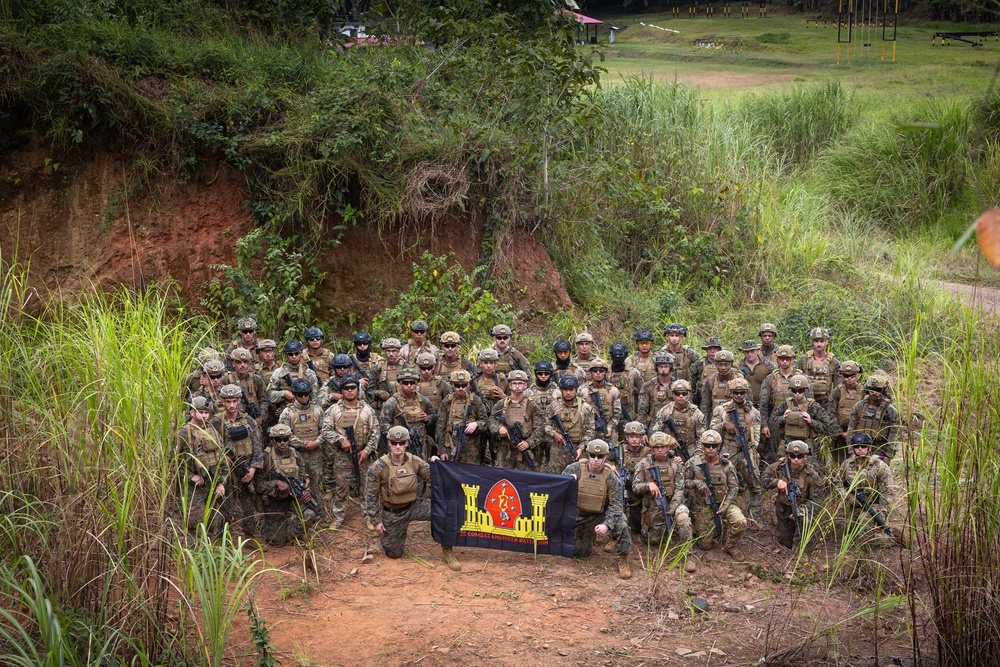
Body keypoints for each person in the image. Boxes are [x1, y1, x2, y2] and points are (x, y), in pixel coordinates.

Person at [362, 426, 458, 569]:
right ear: (389, 443)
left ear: (407, 443)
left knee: (444, 511)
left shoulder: (415, 461)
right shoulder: (378, 467)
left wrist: (437, 465)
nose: (398, 446)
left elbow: (435, 478)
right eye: (394, 443)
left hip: (414, 506)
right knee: (393, 553)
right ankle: (393, 536)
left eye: (401, 443)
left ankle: (447, 550)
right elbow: (370, 496)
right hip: (392, 513)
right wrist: (376, 521)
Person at [562, 439, 633, 579]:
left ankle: (623, 558)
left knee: (622, 523)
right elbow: (558, 491)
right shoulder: (574, 469)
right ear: (587, 455)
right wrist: (568, 483)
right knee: (580, 553)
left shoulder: (611, 478)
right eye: (593, 455)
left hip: (600, 514)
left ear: (605, 457)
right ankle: (589, 536)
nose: (596, 459)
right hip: (579, 514)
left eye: (600, 457)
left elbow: (616, 506)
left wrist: (607, 525)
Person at [319, 375, 380, 527]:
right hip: (342, 455)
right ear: (342, 391)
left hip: (363, 455)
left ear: (358, 390)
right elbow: (326, 430)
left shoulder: (367, 409)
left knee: (366, 487)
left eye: (353, 387)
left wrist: (367, 450)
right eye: (346, 388)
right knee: (341, 487)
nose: (350, 391)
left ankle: (369, 517)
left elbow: (375, 432)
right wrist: (341, 440)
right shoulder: (334, 410)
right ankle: (338, 517)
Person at [633, 432, 695, 568]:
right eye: (656, 447)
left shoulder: (676, 464)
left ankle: (688, 554)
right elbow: (635, 487)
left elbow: (680, 488)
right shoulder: (643, 464)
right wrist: (648, 485)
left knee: (683, 517)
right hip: (653, 506)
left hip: (673, 502)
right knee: (653, 540)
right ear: (652, 448)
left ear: (668, 448)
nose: (660, 450)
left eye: (663, 447)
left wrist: (673, 507)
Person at [684, 430, 747, 559]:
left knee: (740, 521)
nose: (710, 449)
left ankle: (730, 546)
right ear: (702, 446)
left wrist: (726, 505)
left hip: (723, 504)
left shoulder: (726, 465)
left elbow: (734, 487)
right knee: (706, 545)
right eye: (707, 446)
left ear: (719, 446)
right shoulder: (693, 462)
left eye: (714, 446)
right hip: (703, 506)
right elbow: (683, 482)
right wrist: (696, 483)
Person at [214, 384, 265, 543]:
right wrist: (224, 460)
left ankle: (250, 539)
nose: (231, 405)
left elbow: (257, 445)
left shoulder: (248, 420)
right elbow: (212, 447)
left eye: (234, 401)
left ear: (239, 401)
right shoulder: (216, 421)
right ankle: (223, 541)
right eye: (228, 401)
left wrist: (252, 470)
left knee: (248, 506)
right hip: (226, 472)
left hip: (245, 468)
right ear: (222, 401)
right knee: (225, 506)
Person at [173, 396, 228, 537]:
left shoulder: (213, 431)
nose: (204, 415)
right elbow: (172, 462)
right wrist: (191, 476)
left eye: (206, 412)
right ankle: (194, 556)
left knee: (213, 522)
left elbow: (222, 460)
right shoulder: (184, 432)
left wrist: (221, 483)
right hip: (194, 488)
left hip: (213, 483)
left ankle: (210, 553)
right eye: (200, 412)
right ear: (192, 413)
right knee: (194, 523)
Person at [709, 377, 763, 517]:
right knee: (723, 481)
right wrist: (724, 425)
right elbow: (711, 431)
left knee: (754, 480)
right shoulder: (721, 410)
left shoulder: (753, 412)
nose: (739, 395)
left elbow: (756, 435)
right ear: (730, 392)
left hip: (746, 450)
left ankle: (756, 513)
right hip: (728, 449)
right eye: (736, 392)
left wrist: (752, 451)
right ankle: (723, 510)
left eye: (742, 392)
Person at [256, 424, 318, 547]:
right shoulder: (265, 457)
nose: (282, 443)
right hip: (274, 501)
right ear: (273, 440)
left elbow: (303, 477)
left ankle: (293, 534)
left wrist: (306, 491)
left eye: (285, 439)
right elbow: (258, 484)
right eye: (279, 440)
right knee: (276, 542)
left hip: (293, 498)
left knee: (309, 514)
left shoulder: (295, 455)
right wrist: (276, 483)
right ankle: (264, 525)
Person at [760, 440, 824, 549]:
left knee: (804, 525)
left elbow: (817, 501)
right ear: (788, 456)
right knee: (785, 541)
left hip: (802, 509)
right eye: (792, 456)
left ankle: (802, 548)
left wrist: (802, 510)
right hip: (783, 509)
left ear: (805, 457)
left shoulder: (812, 475)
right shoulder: (778, 467)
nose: (796, 459)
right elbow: (763, 481)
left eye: (799, 456)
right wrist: (777, 482)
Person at [838, 433, 896, 546]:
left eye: (864, 446)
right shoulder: (847, 464)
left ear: (869, 448)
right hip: (853, 506)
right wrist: (848, 496)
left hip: (873, 506)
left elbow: (888, 493)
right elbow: (837, 483)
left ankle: (893, 539)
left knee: (863, 537)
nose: (860, 449)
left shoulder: (880, 466)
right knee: (849, 539)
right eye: (857, 446)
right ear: (853, 448)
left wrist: (881, 516)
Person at [759, 344, 811, 463]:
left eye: (787, 358)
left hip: (798, 421)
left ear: (792, 359)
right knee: (776, 453)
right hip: (776, 421)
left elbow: (810, 400)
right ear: (777, 359)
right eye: (782, 359)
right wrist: (765, 425)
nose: (784, 361)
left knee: (798, 452)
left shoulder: (802, 377)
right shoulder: (770, 378)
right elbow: (764, 404)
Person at [278, 378, 326, 505]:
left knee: (315, 483)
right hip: (296, 454)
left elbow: (325, 430)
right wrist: (303, 444)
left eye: (306, 394)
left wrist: (316, 442)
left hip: (315, 454)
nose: (304, 397)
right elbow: (283, 434)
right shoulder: (288, 412)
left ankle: (317, 510)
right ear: (294, 394)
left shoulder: (317, 410)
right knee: (299, 484)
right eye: (300, 394)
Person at [777, 374, 839, 467]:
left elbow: (826, 426)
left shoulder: (814, 406)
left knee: (810, 472)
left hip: (807, 446)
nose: (797, 393)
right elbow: (773, 422)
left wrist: (811, 421)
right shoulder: (785, 405)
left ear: (806, 390)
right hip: (788, 445)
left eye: (800, 390)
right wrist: (782, 418)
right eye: (794, 390)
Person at [491, 370, 543, 470]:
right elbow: (491, 420)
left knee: (526, 480)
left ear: (525, 385)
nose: (517, 386)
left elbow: (540, 428)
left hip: (524, 448)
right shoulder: (502, 404)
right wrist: (499, 428)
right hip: (505, 449)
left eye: (520, 383)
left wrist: (529, 443)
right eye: (514, 383)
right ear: (510, 385)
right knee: (502, 479)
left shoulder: (531, 405)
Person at [379, 368, 436, 459]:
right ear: (400, 383)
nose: (409, 385)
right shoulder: (392, 403)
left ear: (417, 383)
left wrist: (427, 418)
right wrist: (399, 434)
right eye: (405, 383)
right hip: (400, 446)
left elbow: (434, 416)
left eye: (412, 382)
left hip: (420, 444)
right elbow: (383, 426)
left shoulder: (423, 401)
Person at [544, 375, 595, 473]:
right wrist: (554, 434)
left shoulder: (585, 408)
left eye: (571, 389)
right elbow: (545, 425)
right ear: (561, 390)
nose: (568, 392)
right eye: (565, 389)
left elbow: (591, 430)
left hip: (578, 450)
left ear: (576, 390)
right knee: (556, 479)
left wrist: (581, 448)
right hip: (557, 451)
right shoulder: (554, 406)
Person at [436, 370, 489, 465]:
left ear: (468, 384)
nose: (460, 388)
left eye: (464, 385)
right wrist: (442, 450)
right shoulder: (447, 401)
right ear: (452, 384)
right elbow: (440, 427)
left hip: (471, 448)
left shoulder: (475, 401)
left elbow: (485, 421)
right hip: (451, 446)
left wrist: (476, 424)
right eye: (457, 385)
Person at [847, 374, 900, 461]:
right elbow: (851, 430)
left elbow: (894, 434)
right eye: (871, 389)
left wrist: (888, 456)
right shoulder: (858, 407)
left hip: (880, 449)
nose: (874, 393)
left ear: (883, 391)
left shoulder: (890, 410)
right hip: (860, 447)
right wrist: (851, 451)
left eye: (877, 390)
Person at [650, 380, 705, 459]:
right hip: (668, 451)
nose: (681, 396)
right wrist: (669, 439)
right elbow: (656, 432)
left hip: (689, 451)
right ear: (672, 394)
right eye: (677, 393)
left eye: (684, 393)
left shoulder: (697, 414)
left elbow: (701, 438)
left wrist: (696, 457)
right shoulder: (665, 411)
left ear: (689, 394)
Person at [266, 340, 320, 415]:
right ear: (286, 355)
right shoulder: (279, 373)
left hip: (307, 412)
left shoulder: (309, 373)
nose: (294, 356)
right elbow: (269, 394)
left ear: (301, 353)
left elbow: (315, 398)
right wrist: (284, 393)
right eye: (291, 354)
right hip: (286, 412)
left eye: (296, 353)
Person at [618, 421, 651, 538]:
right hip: (626, 488)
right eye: (631, 436)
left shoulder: (647, 451)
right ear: (627, 437)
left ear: (642, 437)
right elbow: (604, 458)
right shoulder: (620, 450)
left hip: (642, 489)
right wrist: (610, 466)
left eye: (637, 437)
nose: (634, 440)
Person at [827, 360, 864, 462]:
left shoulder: (864, 391)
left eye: (852, 375)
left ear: (857, 374)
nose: (849, 378)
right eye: (846, 375)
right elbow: (831, 414)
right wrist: (841, 433)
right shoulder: (837, 391)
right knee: (841, 463)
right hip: (841, 435)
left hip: (860, 435)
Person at [581, 358, 622, 444]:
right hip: (588, 431)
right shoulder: (582, 390)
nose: (598, 373)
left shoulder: (613, 390)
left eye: (601, 370)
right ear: (591, 373)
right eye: (595, 370)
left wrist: (610, 427)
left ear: (606, 373)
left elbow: (617, 413)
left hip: (607, 429)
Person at [223, 348, 266, 428]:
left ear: (249, 363)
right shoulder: (226, 379)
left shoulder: (256, 379)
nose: (242, 365)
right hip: (231, 422)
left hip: (253, 421)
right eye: (239, 362)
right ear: (233, 364)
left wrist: (261, 417)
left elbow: (263, 401)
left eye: (245, 362)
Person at [796, 327, 840, 406]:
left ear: (827, 341)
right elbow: (796, 381)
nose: (819, 344)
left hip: (826, 403)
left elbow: (838, 387)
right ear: (812, 342)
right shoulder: (804, 359)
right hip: (806, 402)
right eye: (816, 341)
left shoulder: (834, 362)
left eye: (821, 341)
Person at [638, 354, 677, 429]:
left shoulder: (678, 384)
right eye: (660, 367)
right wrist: (642, 430)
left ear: (670, 367)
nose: (663, 369)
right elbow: (642, 410)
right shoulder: (648, 386)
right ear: (656, 368)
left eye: (666, 366)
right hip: (654, 423)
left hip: (674, 423)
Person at [608, 343, 638, 432]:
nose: (617, 357)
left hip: (627, 412)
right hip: (610, 414)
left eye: (620, 355)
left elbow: (643, 393)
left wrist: (637, 412)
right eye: (615, 355)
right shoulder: (605, 372)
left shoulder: (633, 372)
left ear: (625, 355)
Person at [737, 339, 776, 407]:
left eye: (752, 351)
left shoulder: (768, 365)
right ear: (743, 352)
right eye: (747, 352)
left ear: (757, 351)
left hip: (764, 404)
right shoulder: (738, 366)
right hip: (743, 404)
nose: (749, 354)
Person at [700, 348, 737, 416]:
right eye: (720, 364)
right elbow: (705, 406)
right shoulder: (711, 381)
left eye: (726, 364)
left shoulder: (739, 381)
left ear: (731, 364)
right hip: (716, 419)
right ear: (716, 364)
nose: (723, 368)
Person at [371, 338, 405, 411]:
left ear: (398, 351)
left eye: (394, 351)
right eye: (388, 351)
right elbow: (370, 390)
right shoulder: (377, 368)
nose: (391, 354)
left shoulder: (405, 367)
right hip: (383, 407)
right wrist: (378, 392)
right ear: (384, 352)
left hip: (401, 406)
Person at [691, 336, 723, 406]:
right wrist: (693, 396)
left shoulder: (726, 363)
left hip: (721, 399)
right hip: (703, 400)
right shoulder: (699, 364)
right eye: (710, 348)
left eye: (715, 348)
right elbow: (692, 382)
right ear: (706, 350)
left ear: (719, 350)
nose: (712, 351)